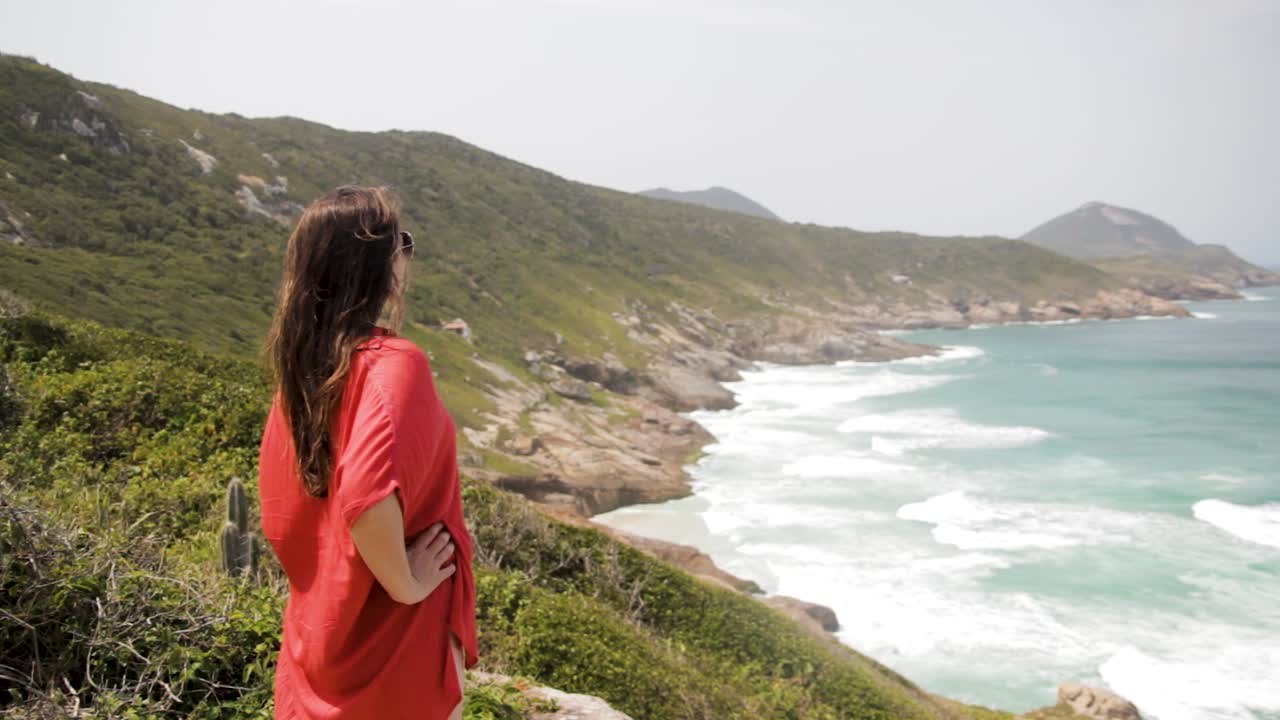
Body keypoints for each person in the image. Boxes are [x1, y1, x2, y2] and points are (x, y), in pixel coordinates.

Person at [257, 185, 478, 719]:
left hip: (320, 649)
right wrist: (406, 584)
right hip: (391, 655)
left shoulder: (303, 378)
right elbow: (365, 494)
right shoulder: (393, 365)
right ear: (379, 264)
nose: (408, 253)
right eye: (403, 241)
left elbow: (284, 512)